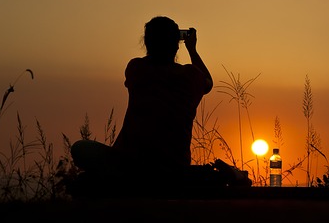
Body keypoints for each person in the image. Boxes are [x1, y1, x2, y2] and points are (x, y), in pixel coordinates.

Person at [70, 16, 220, 195]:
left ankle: (121, 183)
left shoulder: (137, 69)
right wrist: (192, 49)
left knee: (80, 149)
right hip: (174, 167)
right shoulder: (190, 77)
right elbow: (208, 82)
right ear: (176, 44)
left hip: (130, 164)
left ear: (147, 43)